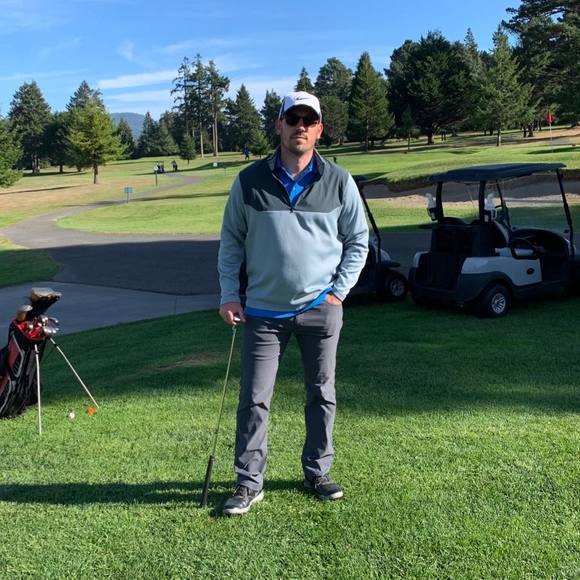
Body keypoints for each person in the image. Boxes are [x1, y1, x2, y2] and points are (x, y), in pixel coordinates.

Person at [217, 91, 369, 516]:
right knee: (254, 398)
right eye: (292, 118)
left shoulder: (339, 180)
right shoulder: (249, 180)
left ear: (319, 129)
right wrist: (229, 293)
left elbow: (358, 240)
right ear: (279, 125)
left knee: (322, 394)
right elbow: (231, 241)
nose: (300, 126)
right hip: (263, 312)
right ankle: (249, 483)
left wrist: (338, 292)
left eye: (308, 120)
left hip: (321, 307)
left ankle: (317, 472)